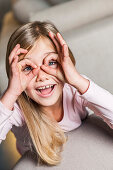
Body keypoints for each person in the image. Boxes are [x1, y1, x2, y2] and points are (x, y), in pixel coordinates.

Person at [0, 21, 113, 167]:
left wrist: (78, 81)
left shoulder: (74, 87)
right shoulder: (15, 104)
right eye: (28, 67)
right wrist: (11, 94)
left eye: (51, 62)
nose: (41, 76)